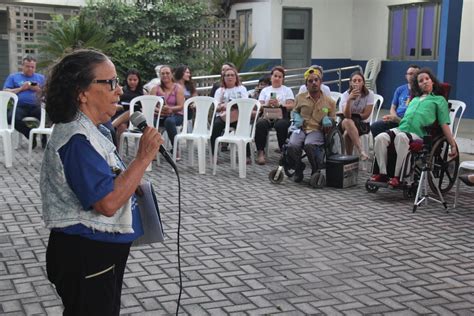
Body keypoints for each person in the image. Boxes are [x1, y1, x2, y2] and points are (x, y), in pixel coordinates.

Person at [40, 49, 164, 315]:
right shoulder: (76, 140)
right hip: (86, 253)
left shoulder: (94, 130)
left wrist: (129, 182)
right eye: (110, 83)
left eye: (117, 81)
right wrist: (142, 158)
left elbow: (107, 183)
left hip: (99, 250)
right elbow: (106, 203)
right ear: (81, 92)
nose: (119, 90)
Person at [371, 67, 457, 187]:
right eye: (421, 81)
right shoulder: (414, 99)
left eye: (427, 79)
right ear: (418, 85)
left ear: (432, 81)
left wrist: (452, 145)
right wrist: (396, 119)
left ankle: (397, 177)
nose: (425, 81)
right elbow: (407, 120)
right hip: (402, 128)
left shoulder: (439, 100)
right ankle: (383, 173)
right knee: (380, 138)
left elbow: (444, 124)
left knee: (401, 137)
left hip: (419, 133)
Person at [287, 67, 336, 182]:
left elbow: (333, 119)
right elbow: (294, 111)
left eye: (316, 80)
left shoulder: (330, 102)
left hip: (317, 130)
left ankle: (315, 168)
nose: (314, 83)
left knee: (309, 145)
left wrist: (327, 119)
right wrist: (297, 117)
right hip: (301, 128)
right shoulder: (300, 97)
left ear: (320, 82)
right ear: (306, 85)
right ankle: (298, 167)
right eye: (310, 81)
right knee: (292, 145)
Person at [255, 66, 295, 165]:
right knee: (260, 124)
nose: (277, 78)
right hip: (267, 114)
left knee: (281, 125)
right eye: (275, 76)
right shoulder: (265, 90)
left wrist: (280, 105)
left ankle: (283, 151)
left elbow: (291, 105)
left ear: (283, 79)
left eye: (280, 77)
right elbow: (259, 105)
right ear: (271, 77)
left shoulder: (287, 90)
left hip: (282, 114)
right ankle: (260, 152)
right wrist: (267, 104)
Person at [3, 55, 45, 145]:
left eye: (32, 67)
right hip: (20, 106)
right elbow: (5, 91)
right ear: (22, 66)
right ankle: (30, 134)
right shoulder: (14, 77)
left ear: (35, 67)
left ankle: (45, 140)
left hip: (37, 106)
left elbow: (48, 92)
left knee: (47, 117)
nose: (30, 69)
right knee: (10, 117)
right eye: (27, 66)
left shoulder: (41, 78)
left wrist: (37, 89)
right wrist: (21, 88)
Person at [370, 64, 420, 137]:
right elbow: (393, 107)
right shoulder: (400, 89)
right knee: (375, 127)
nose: (412, 76)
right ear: (406, 76)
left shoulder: (421, 91)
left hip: (409, 121)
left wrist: (400, 120)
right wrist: (394, 117)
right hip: (396, 118)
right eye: (410, 74)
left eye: (415, 74)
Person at [210, 66, 249, 158]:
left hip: (238, 116)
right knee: (215, 126)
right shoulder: (220, 91)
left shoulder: (241, 89)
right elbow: (216, 107)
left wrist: (232, 104)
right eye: (227, 75)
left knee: (243, 128)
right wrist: (223, 106)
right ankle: (213, 154)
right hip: (223, 116)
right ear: (223, 78)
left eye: (232, 75)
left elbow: (245, 104)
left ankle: (247, 155)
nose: (230, 77)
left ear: (236, 77)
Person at [339, 70, 374, 160]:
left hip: (361, 124)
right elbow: (346, 115)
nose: (357, 83)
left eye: (359, 80)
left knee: (347, 133)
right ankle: (361, 151)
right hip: (344, 123)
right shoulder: (345, 95)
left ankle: (349, 159)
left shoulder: (369, 94)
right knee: (347, 121)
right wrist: (349, 100)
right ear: (350, 83)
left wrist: (354, 115)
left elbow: (366, 114)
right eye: (354, 81)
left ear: (363, 83)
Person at [150, 65, 185, 153]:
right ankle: (152, 150)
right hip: (159, 115)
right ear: (160, 75)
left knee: (169, 121)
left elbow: (181, 106)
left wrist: (170, 109)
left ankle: (176, 149)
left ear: (172, 74)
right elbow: (151, 105)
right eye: (163, 73)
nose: (165, 75)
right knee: (151, 123)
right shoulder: (155, 89)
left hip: (176, 115)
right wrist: (160, 111)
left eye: (167, 73)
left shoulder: (178, 88)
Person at [112, 69, 146, 144]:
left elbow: (146, 106)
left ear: (138, 80)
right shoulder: (122, 90)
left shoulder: (143, 92)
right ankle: (118, 150)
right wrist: (120, 107)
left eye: (135, 80)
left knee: (132, 110)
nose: (132, 82)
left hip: (135, 117)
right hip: (120, 114)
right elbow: (115, 103)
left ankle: (112, 126)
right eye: (130, 79)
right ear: (126, 79)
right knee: (122, 127)